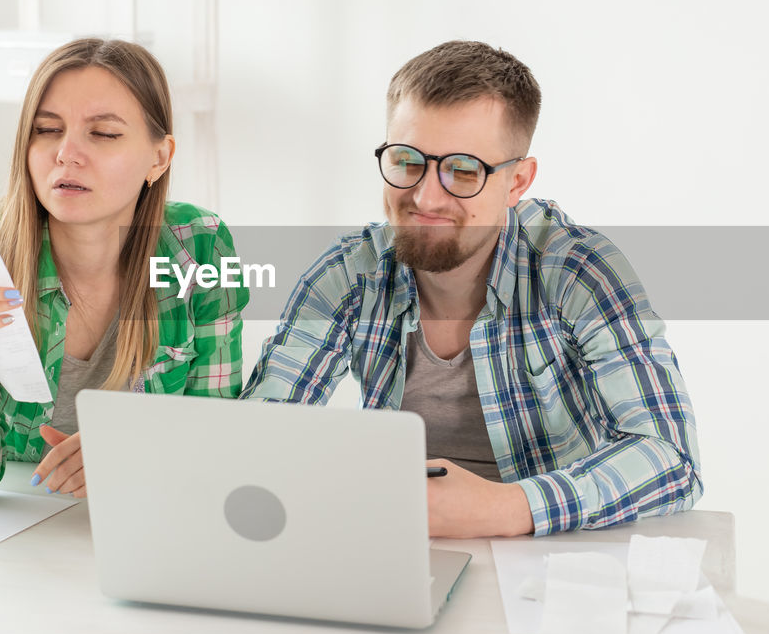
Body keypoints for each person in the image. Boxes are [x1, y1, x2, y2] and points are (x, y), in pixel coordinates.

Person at [243, 40, 700, 538]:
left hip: (556, 559)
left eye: (463, 170)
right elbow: (260, 434)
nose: (425, 196)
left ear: (517, 181)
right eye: (406, 160)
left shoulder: (578, 271)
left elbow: (672, 457)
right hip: (397, 548)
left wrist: (505, 509)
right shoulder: (349, 275)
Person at [0, 38, 247, 501]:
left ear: (159, 157)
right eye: (47, 129)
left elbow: (217, 438)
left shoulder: (200, 246)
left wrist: (130, 455)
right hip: (20, 529)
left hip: (151, 513)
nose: (66, 153)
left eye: (104, 133)